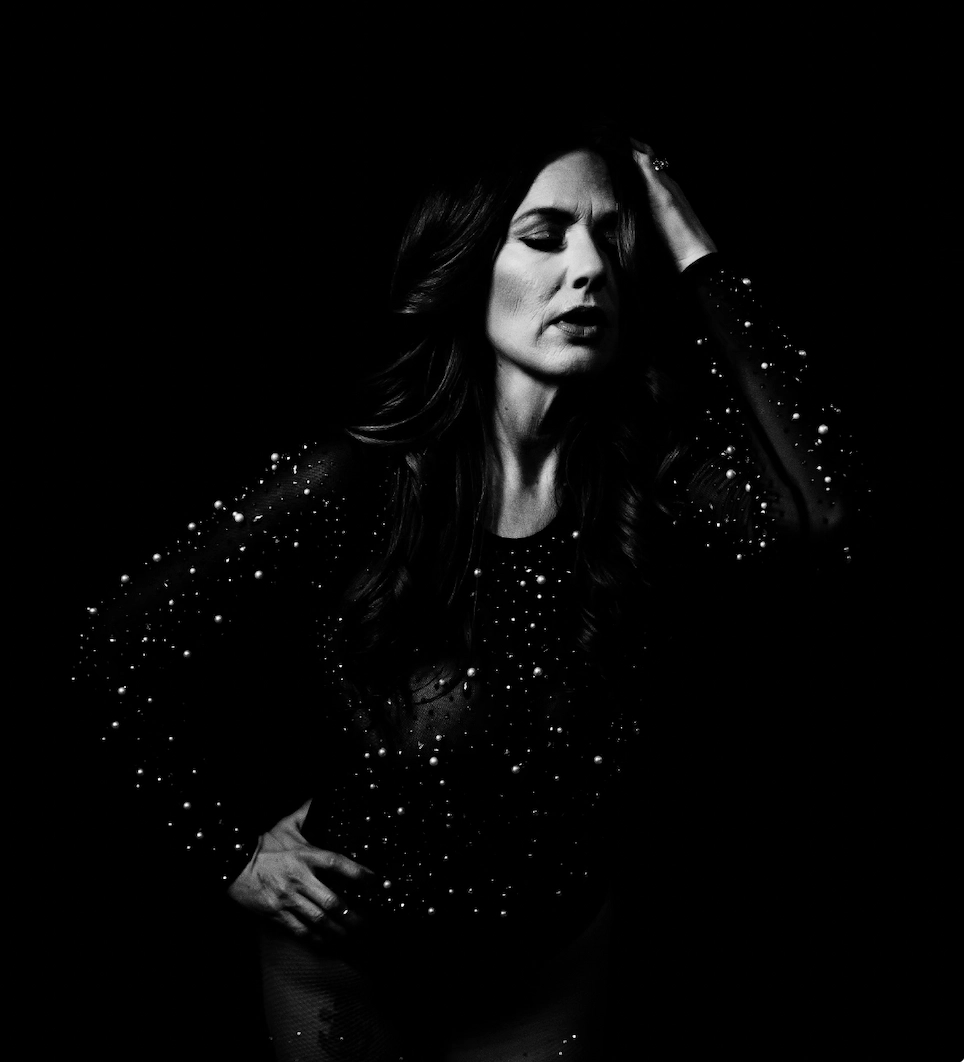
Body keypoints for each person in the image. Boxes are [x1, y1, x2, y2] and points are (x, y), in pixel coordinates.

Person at [75, 116, 857, 1060]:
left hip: (549, 969)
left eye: (615, 241)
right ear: (468, 262)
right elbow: (109, 650)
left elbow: (819, 511)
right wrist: (228, 851)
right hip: (349, 964)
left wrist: (694, 249)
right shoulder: (358, 484)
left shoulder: (654, 481)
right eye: (545, 236)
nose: (590, 269)